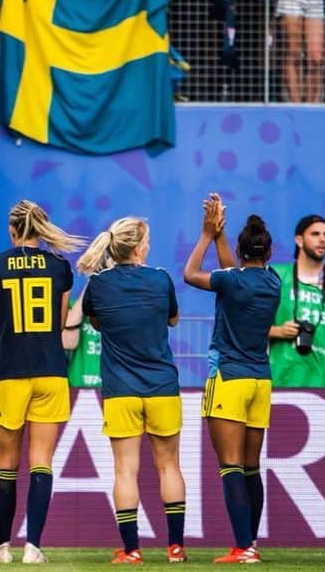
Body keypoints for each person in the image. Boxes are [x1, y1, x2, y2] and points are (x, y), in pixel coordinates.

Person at [78, 218, 186, 564]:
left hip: (120, 389)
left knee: (125, 470)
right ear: (139, 247)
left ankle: (131, 550)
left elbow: (95, 322)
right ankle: (175, 549)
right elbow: (172, 320)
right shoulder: (160, 278)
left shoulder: (98, 284)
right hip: (162, 386)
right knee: (169, 466)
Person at [0, 200, 84, 564]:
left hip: (9, 371)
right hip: (50, 370)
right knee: (41, 461)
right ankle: (34, 547)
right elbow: (59, 323)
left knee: (5, 462)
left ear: (12, 231)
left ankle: (1, 547)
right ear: (41, 230)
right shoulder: (59, 267)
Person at [183, 194, 280, 564]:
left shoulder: (232, 281)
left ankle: (242, 548)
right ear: (268, 253)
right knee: (252, 467)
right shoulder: (272, 282)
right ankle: (250, 543)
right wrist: (224, 235)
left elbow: (191, 274)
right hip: (260, 381)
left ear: (240, 250)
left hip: (228, 377)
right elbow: (233, 273)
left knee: (230, 466)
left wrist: (208, 234)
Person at [269, 215, 325, 388]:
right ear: (299, 240)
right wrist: (278, 331)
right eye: (315, 234)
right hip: (280, 380)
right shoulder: (276, 276)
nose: (322, 239)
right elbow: (250, 324)